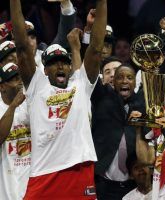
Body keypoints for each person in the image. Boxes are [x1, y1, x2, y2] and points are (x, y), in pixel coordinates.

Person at [10, 0, 107, 198]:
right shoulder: (37, 86)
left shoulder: (81, 84)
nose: (60, 66)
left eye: (64, 62)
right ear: (44, 70)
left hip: (78, 172)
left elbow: (96, 48)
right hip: (43, 175)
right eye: (54, 63)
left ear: (71, 67)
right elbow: (21, 47)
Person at [91, 62, 145, 200]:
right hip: (102, 184)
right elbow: (90, 68)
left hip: (135, 185)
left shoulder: (143, 101)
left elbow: (164, 75)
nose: (125, 81)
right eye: (120, 77)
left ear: (135, 82)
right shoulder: (102, 98)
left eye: (129, 77)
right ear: (113, 82)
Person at [0, 63, 30, 200]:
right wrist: (13, 106)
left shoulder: (30, 103)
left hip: (32, 185)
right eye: (13, 78)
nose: (19, 82)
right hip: (7, 186)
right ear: (2, 87)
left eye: (20, 77)